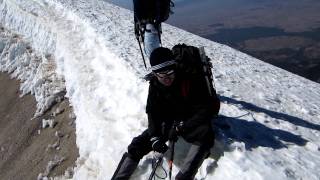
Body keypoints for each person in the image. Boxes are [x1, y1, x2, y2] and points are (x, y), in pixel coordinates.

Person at [111, 47, 221, 179]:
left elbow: (206, 109)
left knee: (205, 134)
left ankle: (184, 176)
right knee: (137, 145)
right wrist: (154, 137)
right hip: (170, 121)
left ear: (175, 67)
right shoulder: (155, 84)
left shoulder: (190, 79)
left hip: (190, 119)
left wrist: (183, 126)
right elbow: (152, 112)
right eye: (161, 75)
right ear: (155, 74)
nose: (166, 79)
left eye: (170, 73)